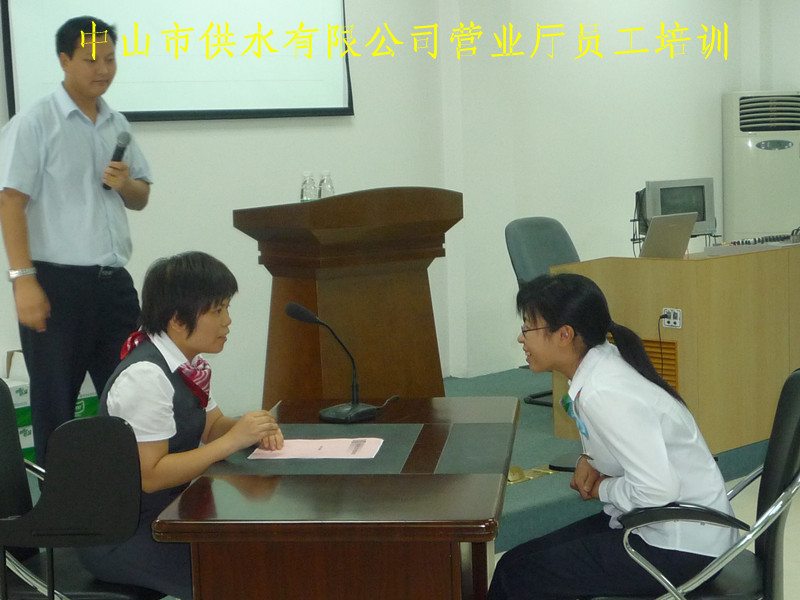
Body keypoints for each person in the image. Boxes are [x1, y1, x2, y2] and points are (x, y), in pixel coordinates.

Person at [487, 273, 738, 600]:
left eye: (528, 328)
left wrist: (601, 488)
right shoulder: (603, 363)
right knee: (515, 563)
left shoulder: (604, 392)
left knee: (518, 576)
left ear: (564, 335)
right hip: (667, 526)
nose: (521, 338)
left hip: (682, 548)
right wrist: (589, 460)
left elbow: (657, 490)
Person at [78, 251, 284, 600]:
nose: (228, 321)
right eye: (217, 310)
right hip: (124, 535)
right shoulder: (146, 377)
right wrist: (232, 441)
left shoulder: (185, 365)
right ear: (176, 319)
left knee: (259, 553)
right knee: (244, 575)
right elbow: (152, 474)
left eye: (226, 308)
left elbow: (213, 426)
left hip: (170, 515)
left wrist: (254, 428)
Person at [0, 16, 152, 465]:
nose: (103, 69)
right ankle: (59, 506)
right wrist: (23, 281)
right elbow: (10, 201)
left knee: (132, 395)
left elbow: (141, 197)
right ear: (64, 60)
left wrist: (125, 184)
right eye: (91, 60)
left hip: (113, 286)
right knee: (55, 404)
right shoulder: (34, 122)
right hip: (55, 285)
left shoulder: (116, 123)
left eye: (110, 59)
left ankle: (128, 496)